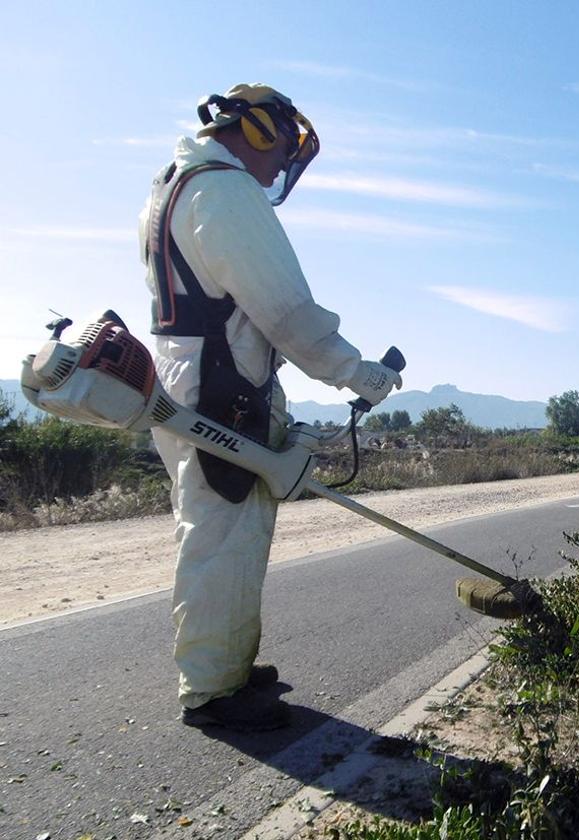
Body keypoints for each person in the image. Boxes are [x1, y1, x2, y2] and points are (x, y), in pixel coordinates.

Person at [138, 84, 401, 731]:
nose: (281, 166)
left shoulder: (176, 183)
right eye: (282, 149)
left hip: (199, 384)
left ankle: (221, 669)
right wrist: (355, 372)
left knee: (222, 531)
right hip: (218, 391)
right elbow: (285, 311)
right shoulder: (224, 191)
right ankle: (213, 695)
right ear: (255, 130)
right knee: (221, 540)